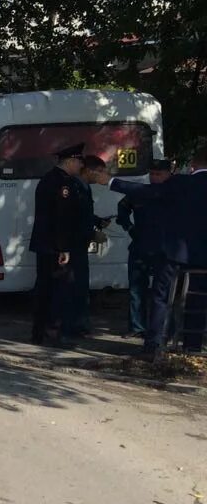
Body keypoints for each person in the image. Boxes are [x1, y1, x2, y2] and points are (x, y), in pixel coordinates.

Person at [99, 145, 207, 356]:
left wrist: (111, 181)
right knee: (197, 300)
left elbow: (146, 192)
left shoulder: (181, 183)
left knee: (161, 297)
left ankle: (154, 345)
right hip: (203, 255)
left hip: (174, 252)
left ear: (193, 165)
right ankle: (192, 346)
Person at [28, 143, 86, 346]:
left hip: (46, 245)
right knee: (57, 291)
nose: (81, 165)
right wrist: (63, 249)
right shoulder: (63, 185)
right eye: (79, 161)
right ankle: (52, 333)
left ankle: (40, 333)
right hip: (54, 247)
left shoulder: (49, 179)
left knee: (45, 289)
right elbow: (60, 219)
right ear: (70, 161)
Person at [117, 159, 173, 338]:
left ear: (168, 174)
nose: (154, 177)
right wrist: (129, 227)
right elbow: (122, 208)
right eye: (152, 174)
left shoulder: (173, 192)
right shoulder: (140, 193)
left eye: (159, 174)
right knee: (136, 289)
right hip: (140, 245)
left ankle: (165, 329)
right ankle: (137, 327)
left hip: (164, 248)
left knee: (163, 291)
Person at [66, 155, 113, 336]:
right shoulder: (76, 187)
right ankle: (75, 327)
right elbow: (73, 218)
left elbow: (84, 214)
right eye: (100, 172)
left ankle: (79, 325)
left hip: (78, 244)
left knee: (80, 285)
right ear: (88, 171)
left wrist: (98, 222)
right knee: (75, 286)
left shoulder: (83, 187)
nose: (103, 175)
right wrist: (93, 233)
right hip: (74, 245)